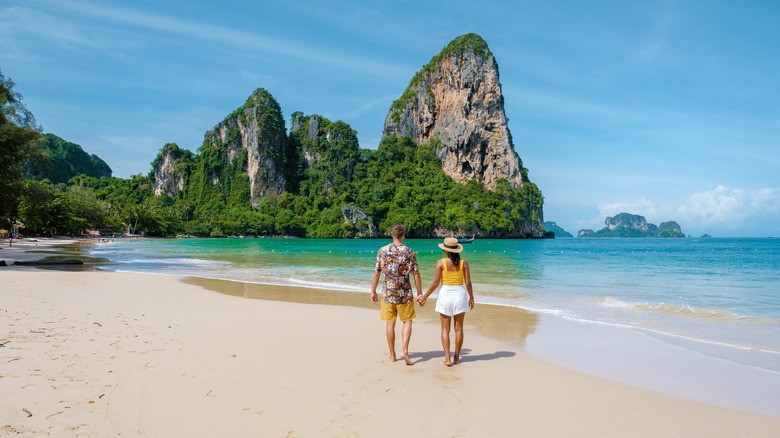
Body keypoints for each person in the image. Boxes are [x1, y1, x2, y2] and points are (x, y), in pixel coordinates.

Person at [417, 237, 475, 366]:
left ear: (446, 250)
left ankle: (447, 358)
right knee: (459, 329)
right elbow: (468, 283)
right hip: (460, 294)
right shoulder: (464, 263)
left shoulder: (440, 263)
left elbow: (435, 283)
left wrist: (424, 297)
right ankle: (457, 357)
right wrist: (471, 298)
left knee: (445, 329)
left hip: (446, 295)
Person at [370, 223, 423, 365]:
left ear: (392, 234)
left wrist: (373, 291)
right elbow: (416, 275)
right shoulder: (410, 252)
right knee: (407, 321)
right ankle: (404, 350)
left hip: (388, 293)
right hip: (404, 294)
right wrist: (420, 293)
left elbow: (376, 272)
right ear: (403, 235)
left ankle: (392, 356)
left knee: (390, 323)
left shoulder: (382, 251)